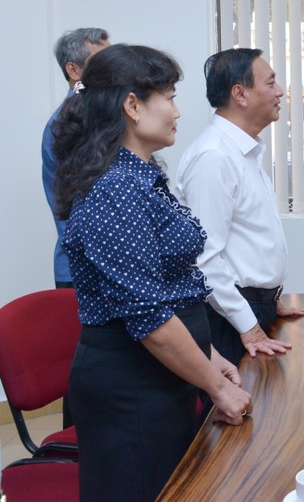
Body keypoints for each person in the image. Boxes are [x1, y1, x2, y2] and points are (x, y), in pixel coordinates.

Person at [53, 44, 253, 502]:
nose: (178, 111)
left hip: (162, 372)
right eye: (170, 96)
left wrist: (207, 357)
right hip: (132, 386)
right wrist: (215, 387)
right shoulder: (115, 190)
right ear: (132, 105)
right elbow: (150, 318)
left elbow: (170, 285)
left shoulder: (139, 175)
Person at [177, 48, 304, 369]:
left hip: (252, 307)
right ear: (240, 94)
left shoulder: (242, 150)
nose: (280, 92)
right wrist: (249, 326)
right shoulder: (214, 157)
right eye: (271, 83)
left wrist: (268, 301)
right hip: (228, 318)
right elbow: (204, 258)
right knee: (239, 416)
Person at [42, 28, 110, 288]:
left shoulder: (101, 115)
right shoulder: (68, 125)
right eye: (101, 61)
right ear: (74, 71)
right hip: (86, 270)